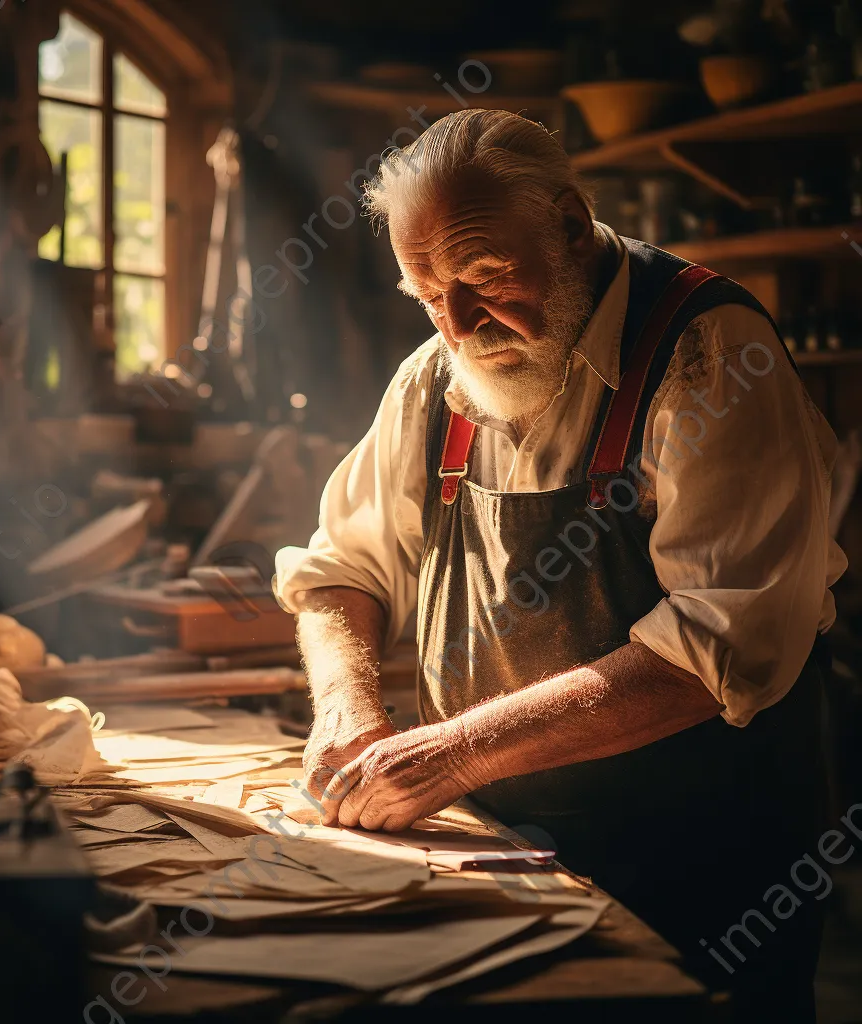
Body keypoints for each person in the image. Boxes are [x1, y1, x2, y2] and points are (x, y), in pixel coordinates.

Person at [274, 110, 845, 1021]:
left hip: (698, 866)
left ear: (573, 226)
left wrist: (449, 752)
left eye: (486, 279)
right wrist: (348, 709)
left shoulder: (708, 354)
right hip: (497, 843)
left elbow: (716, 647)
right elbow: (344, 563)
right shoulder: (435, 378)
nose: (457, 324)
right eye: (426, 294)